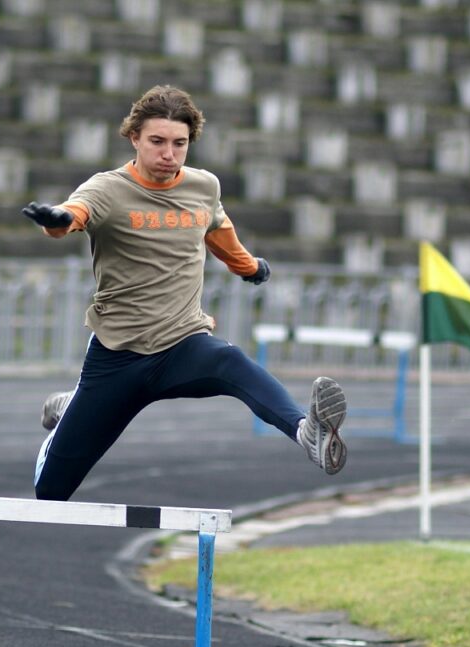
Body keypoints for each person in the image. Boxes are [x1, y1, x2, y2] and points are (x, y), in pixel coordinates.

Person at [22, 85, 346, 502]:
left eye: (180, 144)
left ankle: (308, 433)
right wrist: (56, 220)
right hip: (119, 357)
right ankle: (72, 409)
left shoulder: (204, 187)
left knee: (229, 360)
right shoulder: (107, 189)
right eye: (157, 142)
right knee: (51, 493)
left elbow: (218, 229)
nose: (168, 154)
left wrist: (248, 267)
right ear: (134, 137)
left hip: (181, 344)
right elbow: (74, 214)